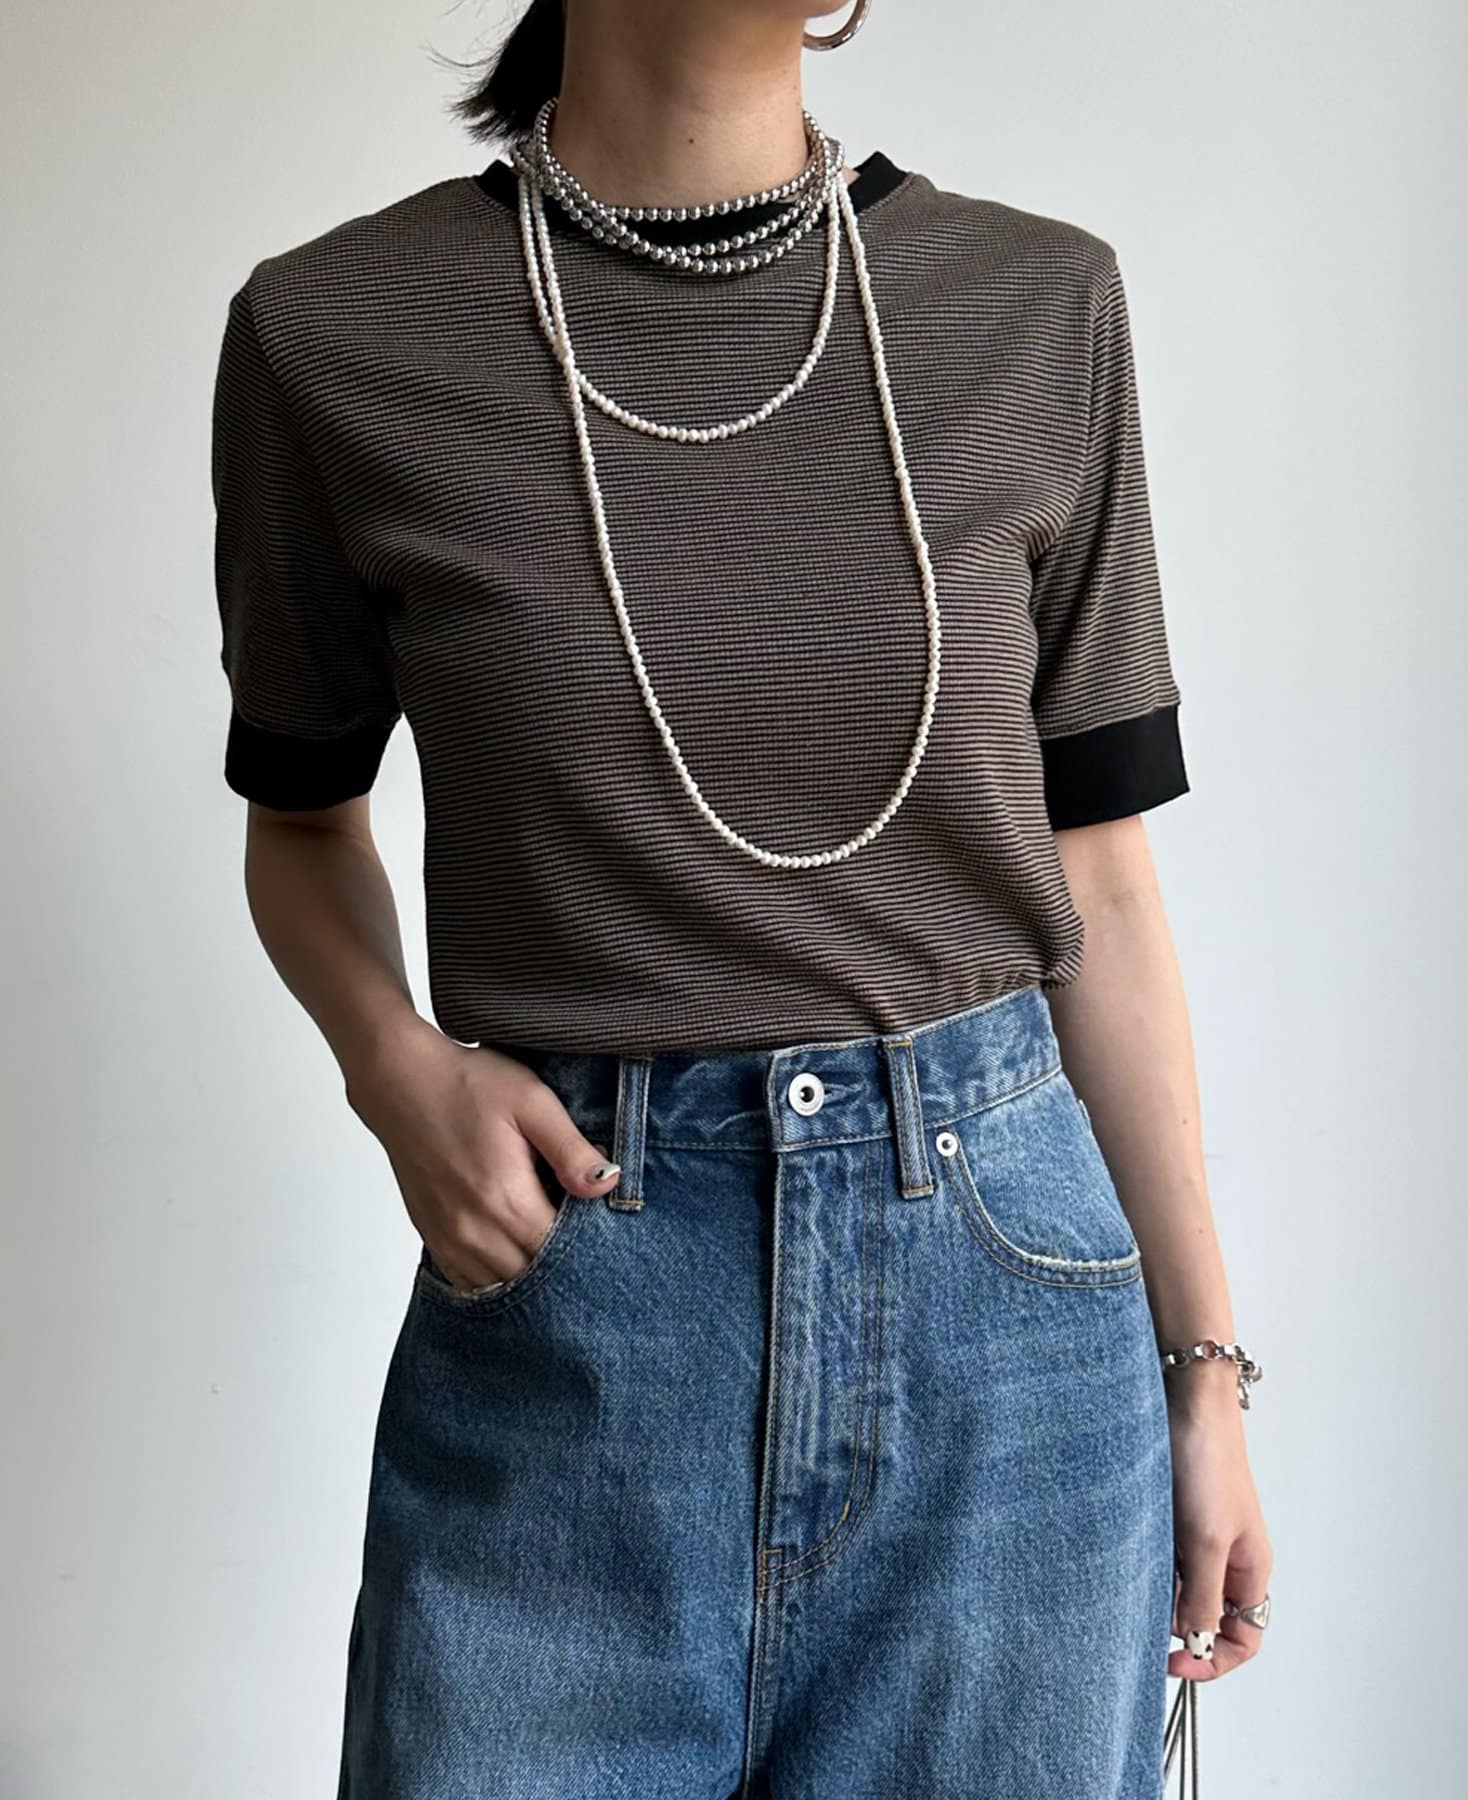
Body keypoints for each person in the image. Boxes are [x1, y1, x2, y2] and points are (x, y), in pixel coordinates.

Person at [208, 2, 1273, 1794]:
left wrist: (1205, 1375)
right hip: (578, 1307)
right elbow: (300, 826)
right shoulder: (335, 335)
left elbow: (1101, 875)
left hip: (1011, 1342)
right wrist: (393, 1067)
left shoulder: (1037, 308)